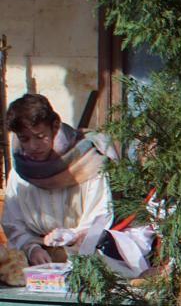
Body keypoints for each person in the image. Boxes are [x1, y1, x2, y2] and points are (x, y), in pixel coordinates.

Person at [3, 93, 114, 265]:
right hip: (37, 263)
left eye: (40, 137)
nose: (33, 146)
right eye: (24, 139)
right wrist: (31, 247)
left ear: (55, 127)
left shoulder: (88, 163)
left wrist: (74, 236)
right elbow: (13, 222)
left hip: (87, 258)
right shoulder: (20, 173)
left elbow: (100, 216)